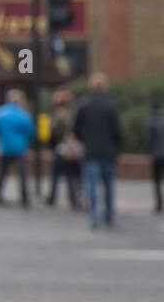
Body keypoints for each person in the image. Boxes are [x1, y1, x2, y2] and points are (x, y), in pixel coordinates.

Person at [73, 73, 122, 229]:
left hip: (91, 150)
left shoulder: (83, 104)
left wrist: (85, 140)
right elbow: (118, 131)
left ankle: (94, 217)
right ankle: (109, 216)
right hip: (108, 151)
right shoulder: (111, 105)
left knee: (91, 185)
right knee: (108, 184)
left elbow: (76, 128)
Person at [0, 88, 35, 207]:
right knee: (22, 174)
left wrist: (1, 133)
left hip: (5, 147)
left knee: (2, 174)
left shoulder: (1, 113)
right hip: (20, 148)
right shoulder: (24, 115)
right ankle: (25, 198)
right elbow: (31, 132)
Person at [46, 88, 83, 211]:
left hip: (61, 148)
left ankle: (52, 198)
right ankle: (74, 199)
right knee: (72, 175)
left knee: (57, 175)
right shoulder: (74, 113)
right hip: (72, 148)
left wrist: (53, 144)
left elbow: (53, 131)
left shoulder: (58, 114)